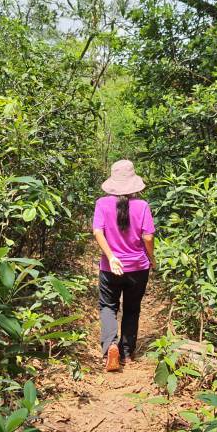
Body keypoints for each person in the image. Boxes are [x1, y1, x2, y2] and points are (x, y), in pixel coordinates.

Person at [92, 159, 156, 372]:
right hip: (138, 267)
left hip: (111, 268)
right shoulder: (143, 206)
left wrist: (111, 256)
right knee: (132, 309)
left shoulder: (102, 204)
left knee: (108, 306)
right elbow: (148, 237)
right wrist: (151, 259)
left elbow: (97, 232)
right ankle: (127, 352)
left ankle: (111, 344)